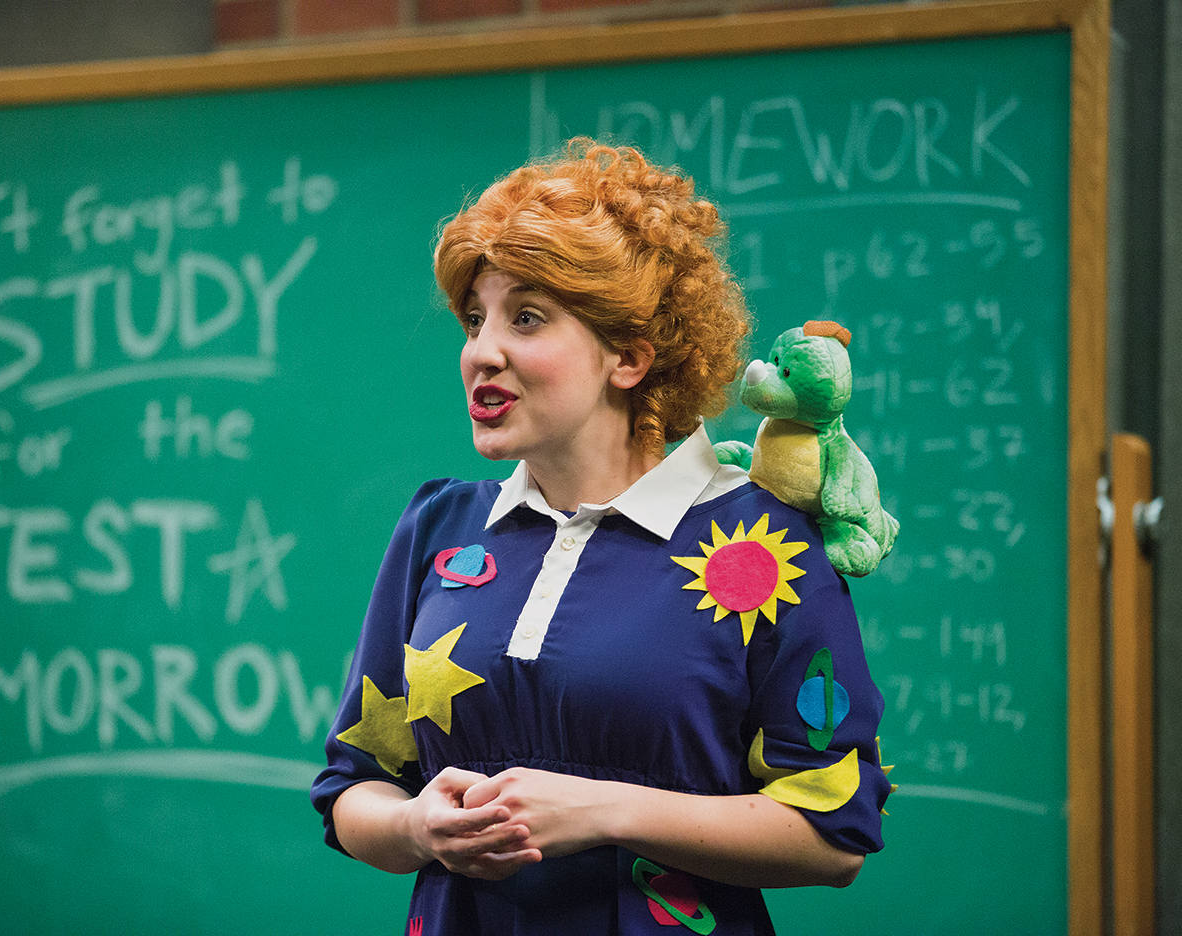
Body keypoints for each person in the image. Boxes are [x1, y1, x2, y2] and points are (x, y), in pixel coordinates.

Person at [309, 139, 891, 935]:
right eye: (475, 319)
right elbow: (352, 788)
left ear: (629, 356)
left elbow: (834, 834)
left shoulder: (763, 545)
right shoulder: (441, 528)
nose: (482, 352)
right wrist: (417, 828)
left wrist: (607, 811)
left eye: (527, 318)